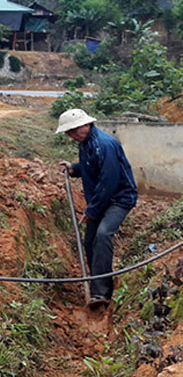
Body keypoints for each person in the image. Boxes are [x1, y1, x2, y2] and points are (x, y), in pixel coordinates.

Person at [57, 108, 137, 309]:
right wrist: (74, 168)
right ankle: (97, 283)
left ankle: (102, 292)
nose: (72, 136)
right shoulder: (86, 143)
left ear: (86, 125)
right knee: (90, 240)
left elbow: (108, 182)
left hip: (119, 199)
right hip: (101, 200)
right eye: (70, 133)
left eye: (74, 131)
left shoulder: (105, 144)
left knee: (103, 235)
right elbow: (90, 166)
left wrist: (91, 211)